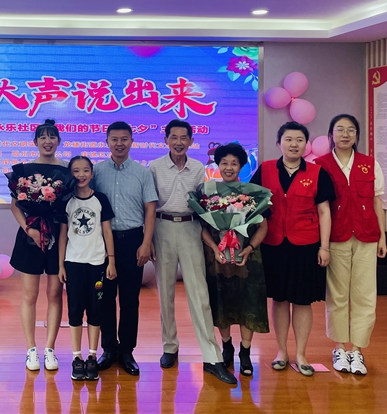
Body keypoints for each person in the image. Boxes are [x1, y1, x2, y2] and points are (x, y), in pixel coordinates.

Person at [149, 120, 237, 385]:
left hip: (190, 228)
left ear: (190, 141)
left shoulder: (199, 168)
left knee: (199, 294)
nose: (178, 142)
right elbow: (148, 206)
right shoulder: (154, 167)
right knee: (165, 292)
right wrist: (148, 238)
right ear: (166, 140)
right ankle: (169, 347)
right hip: (162, 228)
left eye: (183, 138)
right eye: (173, 137)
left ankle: (212, 357)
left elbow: (204, 206)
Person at [250, 121, 334, 376]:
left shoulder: (317, 173)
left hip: (305, 245)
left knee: (302, 300)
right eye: (288, 139)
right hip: (273, 244)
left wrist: (325, 247)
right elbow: (251, 205)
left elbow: (324, 212)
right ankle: (281, 352)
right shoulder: (265, 170)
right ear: (279, 143)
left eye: (299, 140)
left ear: (306, 144)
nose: (294, 144)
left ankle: (301, 354)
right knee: (279, 298)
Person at [315, 114, 386, 375]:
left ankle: (357, 350)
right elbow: (320, 208)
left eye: (351, 130)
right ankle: (339, 347)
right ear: (331, 134)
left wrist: (382, 237)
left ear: (357, 135)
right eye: (340, 130)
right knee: (337, 294)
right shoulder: (319, 165)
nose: (345, 135)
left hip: (367, 235)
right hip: (336, 236)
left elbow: (377, 202)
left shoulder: (370, 164)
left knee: (365, 293)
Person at [92, 121, 157, 376]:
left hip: (133, 241)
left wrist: (146, 242)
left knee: (130, 300)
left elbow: (150, 209)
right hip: (103, 243)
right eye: (114, 139)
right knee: (105, 299)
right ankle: (108, 349)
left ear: (131, 141)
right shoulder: (96, 171)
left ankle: (127, 350)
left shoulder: (143, 173)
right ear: (107, 142)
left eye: (124, 139)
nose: (119, 144)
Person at [199, 143, 269, 377]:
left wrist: (249, 248)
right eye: (224, 163)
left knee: (248, 302)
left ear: (241, 166)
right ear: (217, 165)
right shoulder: (208, 192)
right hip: (218, 258)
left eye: (234, 163)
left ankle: (245, 352)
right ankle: (226, 346)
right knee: (222, 301)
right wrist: (214, 249)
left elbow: (263, 227)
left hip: (247, 257)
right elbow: (203, 229)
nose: (228, 167)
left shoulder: (253, 193)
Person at [9, 119, 67, 372]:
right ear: (35, 142)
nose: (47, 141)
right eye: (42, 137)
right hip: (30, 235)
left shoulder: (67, 170)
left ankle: (50, 349)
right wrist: (28, 229)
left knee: (55, 294)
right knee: (29, 295)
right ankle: (31, 349)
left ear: (58, 141)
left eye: (52, 136)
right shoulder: (23, 170)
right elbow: (15, 205)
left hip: (58, 235)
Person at [58, 156, 116, 381]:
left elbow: (107, 231)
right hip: (73, 263)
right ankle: (77, 357)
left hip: (97, 263)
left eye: (85, 170)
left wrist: (111, 261)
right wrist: (61, 265)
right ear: (70, 174)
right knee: (74, 310)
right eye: (75, 171)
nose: (81, 175)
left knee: (95, 309)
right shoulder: (66, 201)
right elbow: (63, 235)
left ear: (92, 173)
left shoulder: (100, 199)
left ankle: (92, 355)